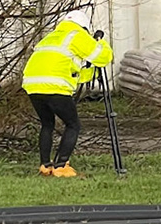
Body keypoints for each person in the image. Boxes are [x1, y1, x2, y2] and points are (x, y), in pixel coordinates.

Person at [21, 10, 113, 178]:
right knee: (73, 125)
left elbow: (67, 70)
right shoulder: (77, 35)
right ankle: (61, 166)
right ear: (84, 27)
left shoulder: (51, 37)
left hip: (33, 85)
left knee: (47, 124)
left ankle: (45, 165)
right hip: (55, 87)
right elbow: (104, 57)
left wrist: (88, 73)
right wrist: (100, 41)